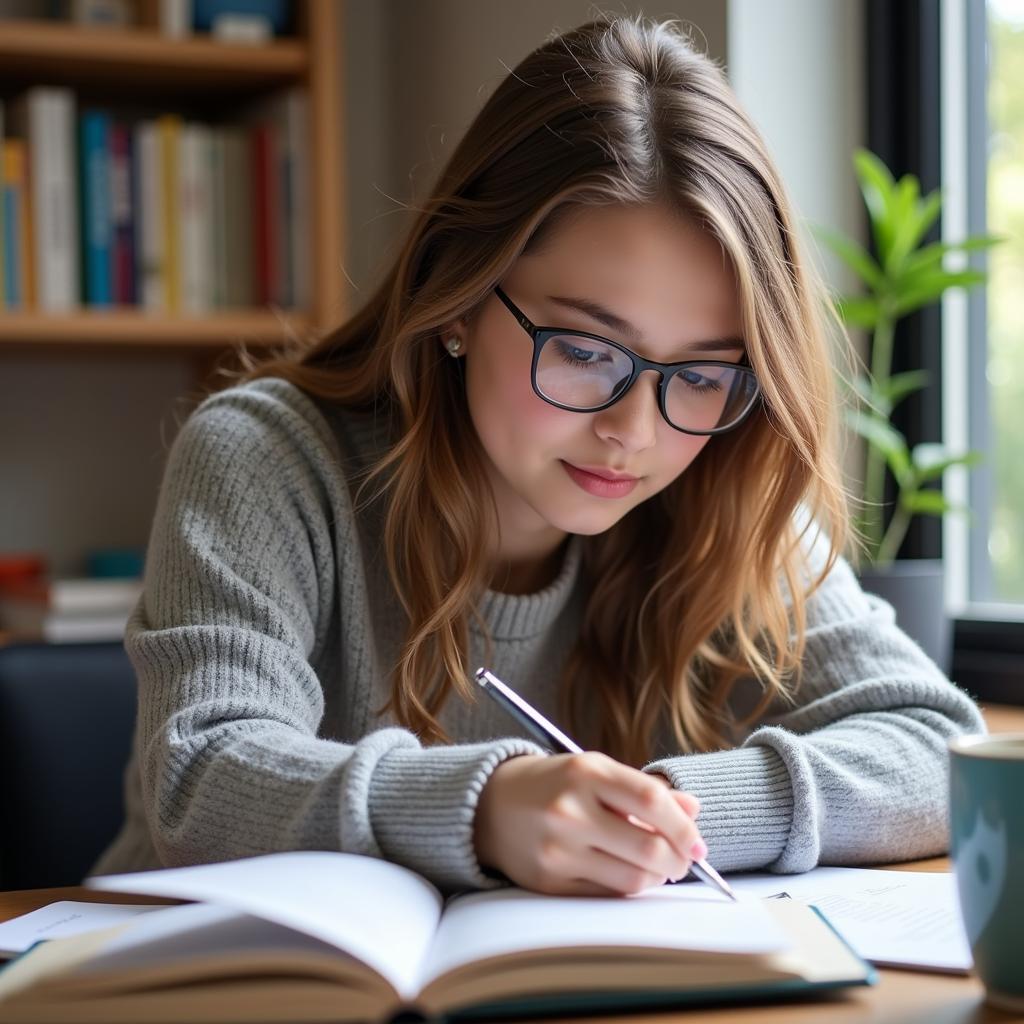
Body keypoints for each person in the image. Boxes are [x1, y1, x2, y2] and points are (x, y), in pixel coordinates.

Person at [95, 15, 984, 896]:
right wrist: (484, 806)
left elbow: (933, 745)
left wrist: (669, 810)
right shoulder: (264, 460)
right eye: (588, 352)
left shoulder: (725, 484)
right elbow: (200, 777)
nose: (636, 431)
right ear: (458, 296)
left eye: (705, 373)